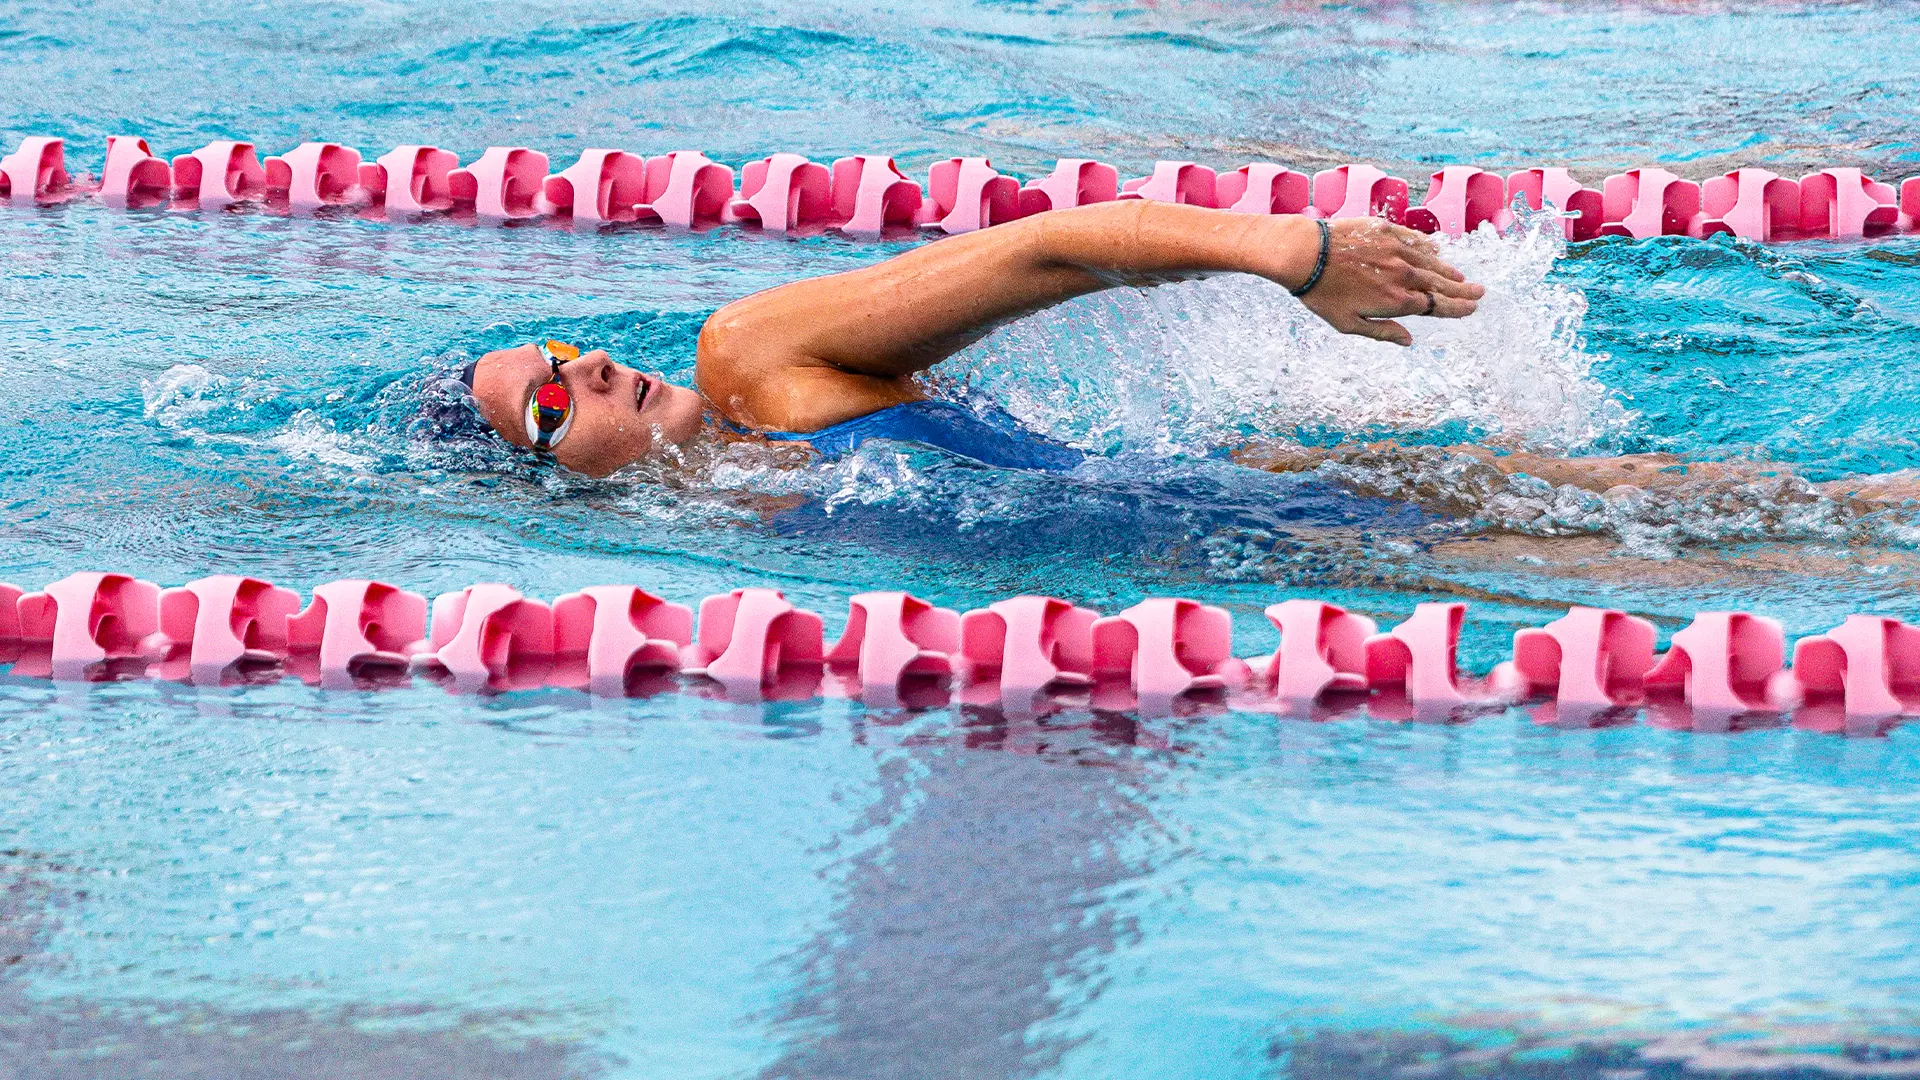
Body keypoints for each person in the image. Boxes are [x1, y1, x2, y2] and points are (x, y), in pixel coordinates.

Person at [457, 199, 1920, 509]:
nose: (587, 374)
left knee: (1796, 523)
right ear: (548, 482)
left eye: (573, 351)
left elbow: (1056, 247)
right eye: (548, 406)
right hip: (1232, 550)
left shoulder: (753, 360)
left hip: (1262, 503)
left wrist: (1295, 256)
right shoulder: (733, 517)